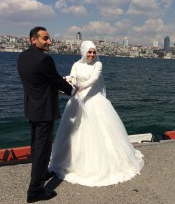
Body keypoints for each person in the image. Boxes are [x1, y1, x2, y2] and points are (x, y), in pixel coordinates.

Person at [48, 40, 144, 187]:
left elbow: (93, 80)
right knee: (73, 132)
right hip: (77, 101)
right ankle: (68, 161)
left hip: (94, 101)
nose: (92, 54)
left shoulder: (98, 65)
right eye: (89, 51)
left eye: (94, 52)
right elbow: (72, 76)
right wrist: (68, 82)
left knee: (98, 133)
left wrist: (79, 86)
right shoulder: (76, 64)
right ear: (83, 52)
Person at [17, 26, 76, 203]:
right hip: (44, 110)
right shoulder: (45, 60)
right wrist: (72, 89)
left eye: (49, 38)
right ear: (33, 40)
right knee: (43, 148)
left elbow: (38, 81)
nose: (49, 41)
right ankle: (35, 191)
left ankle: (42, 173)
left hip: (31, 108)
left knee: (36, 145)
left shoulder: (22, 57)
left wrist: (53, 87)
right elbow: (56, 80)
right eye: (45, 38)